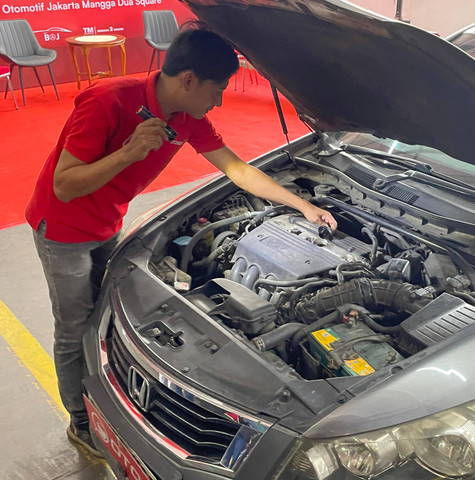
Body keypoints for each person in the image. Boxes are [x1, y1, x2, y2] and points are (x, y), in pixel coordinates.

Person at [25, 27, 337, 456]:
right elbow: (64, 186)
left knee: (102, 315)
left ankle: (112, 394)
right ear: (189, 80)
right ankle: (81, 423)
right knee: (73, 329)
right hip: (63, 230)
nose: (220, 99)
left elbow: (237, 170)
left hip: (107, 221)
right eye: (218, 88)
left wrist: (302, 205)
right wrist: (127, 154)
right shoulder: (108, 100)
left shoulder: (188, 117)